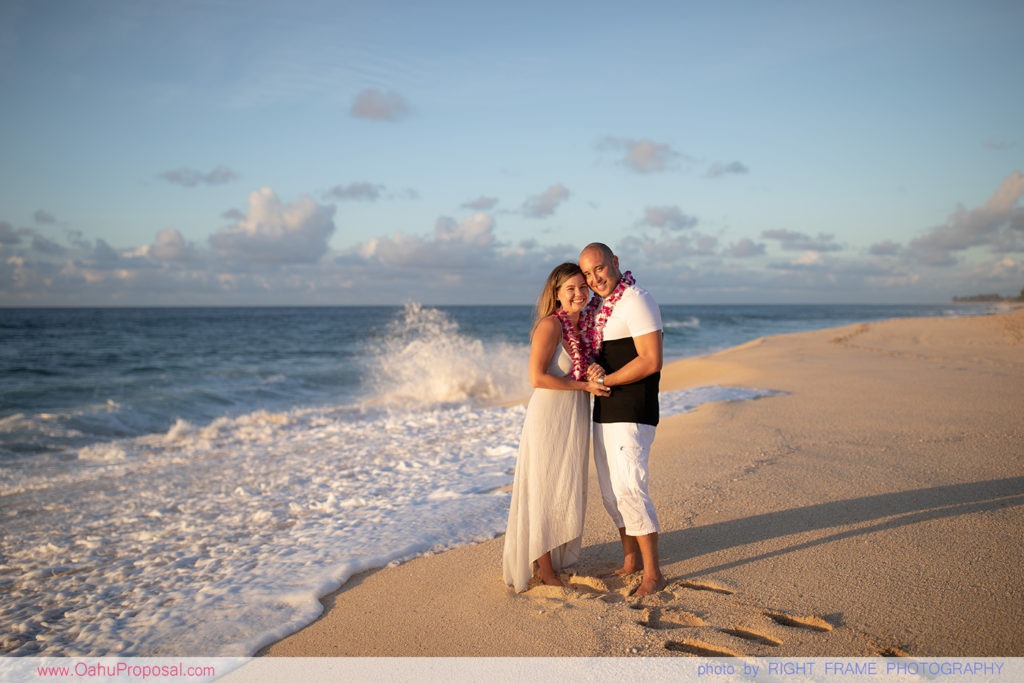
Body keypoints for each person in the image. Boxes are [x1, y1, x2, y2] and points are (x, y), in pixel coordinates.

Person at [502, 262, 610, 591]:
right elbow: (537, 378)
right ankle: (544, 567)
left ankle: (550, 556)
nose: (579, 293)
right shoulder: (551, 326)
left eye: (583, 286)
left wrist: (591, 373)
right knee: (545, 487)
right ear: (557, 294)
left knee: (564, 483)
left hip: (574, 414)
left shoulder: (585, 328)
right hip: (550, 417)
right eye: (571, 289)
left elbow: (582, 367)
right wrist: (582, 387)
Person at [578, 242, 666, 596]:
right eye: (586, 273)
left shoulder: (637, 300)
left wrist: (605, 381)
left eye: (599, 268)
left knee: (631, 488)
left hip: (633, 409)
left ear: (614, 262)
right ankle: (630, 561)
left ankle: (654, 574)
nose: (594, 278)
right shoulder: (598, 308)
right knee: (612, 495)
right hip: (605, 411)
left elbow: (650, 360)